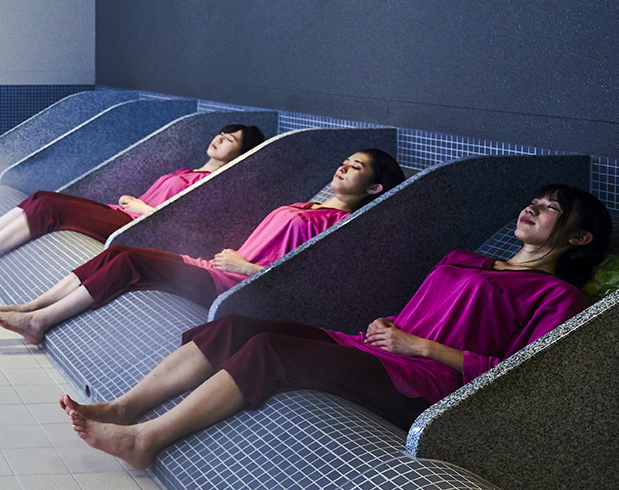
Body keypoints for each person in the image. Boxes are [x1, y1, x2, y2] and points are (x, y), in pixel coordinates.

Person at [59, 184, 611, 469]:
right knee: (234, 327)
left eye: (551, 209)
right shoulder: (470, 258)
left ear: (579, 239)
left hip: (423, 385)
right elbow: (429, 308)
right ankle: (126, 407)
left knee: (273, 350)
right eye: (534, 201)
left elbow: (519, 377)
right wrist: (392, 322)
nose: (533, 209)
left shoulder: (557, 295)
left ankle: (145, 439)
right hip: (381, 347)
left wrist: (419, 344)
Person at [0, 149, 404, 344]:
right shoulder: (305, 205)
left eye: (358, 167)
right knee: (115, 251)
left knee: (129, 260)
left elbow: (306, 284)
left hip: (236, 286)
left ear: (375, 187)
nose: (345, 165)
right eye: (346, 159)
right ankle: (31, 308)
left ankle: (40, 322)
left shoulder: (342, 226)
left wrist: (245, 268)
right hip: (216, 267)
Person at [0, 124, 267, 274]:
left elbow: (181, 223)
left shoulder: (213, 185)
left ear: (240, 153)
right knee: (41, 197)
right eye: (221, 134)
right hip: (121, 213)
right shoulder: (189, 170)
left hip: (134, 226)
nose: (220, 140)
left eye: (230, 141)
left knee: (50, 206)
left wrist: (143, 208)